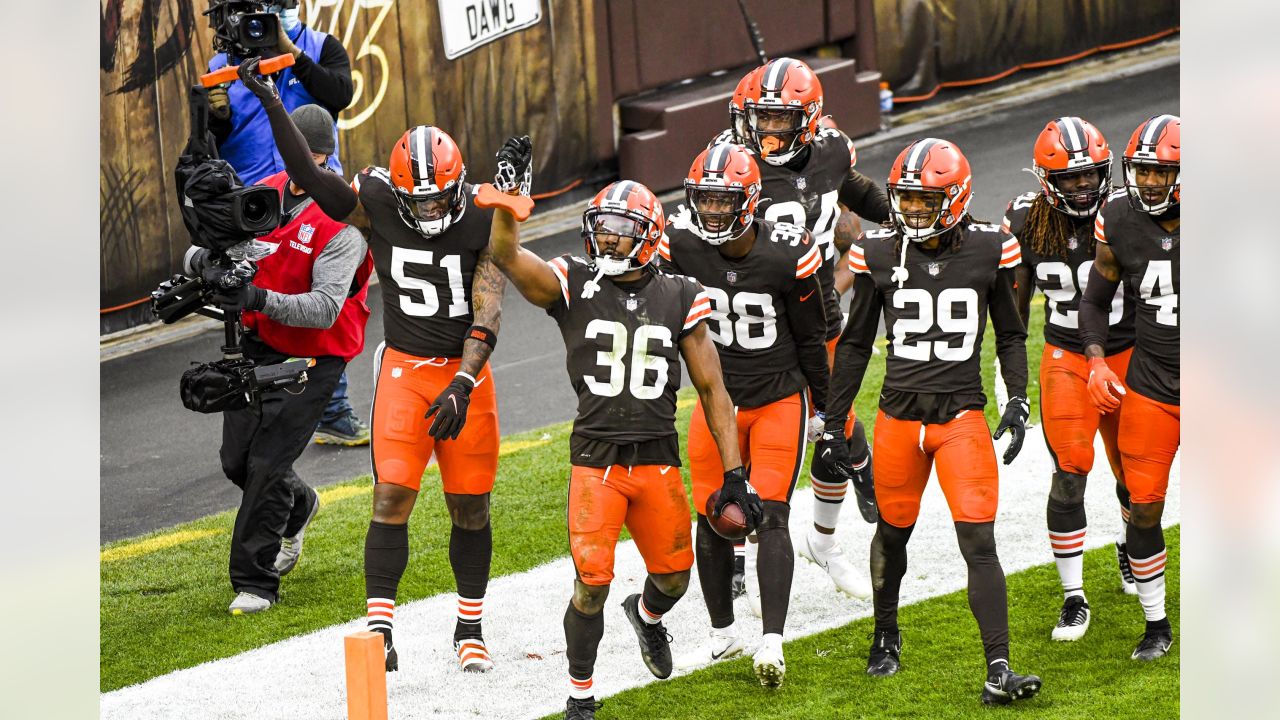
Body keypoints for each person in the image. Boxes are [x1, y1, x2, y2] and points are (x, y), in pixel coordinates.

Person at [236, 60, 511, 673]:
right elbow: (308, 172)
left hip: (466, 375)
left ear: (459, 184)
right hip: (406, 372)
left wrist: (464, 383)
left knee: (471, 505)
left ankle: (470, 625)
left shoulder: (481, 217)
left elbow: (489, 311)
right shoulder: (379, 203)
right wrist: (273, 105)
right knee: (391, 496)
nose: (432, 206)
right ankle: (380, 626)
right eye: (422, 195)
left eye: (441, 193)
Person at [487, 175, 756, 720]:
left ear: (649, 234)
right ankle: (579, 694)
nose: (605, 240)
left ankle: (648, 618)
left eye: (618, 231)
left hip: (658, 459)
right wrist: (507, 203)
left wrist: (734, 475)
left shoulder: (681, 293)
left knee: (676, 579)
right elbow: (505, 253)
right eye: (600, 229)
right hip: (596, 461)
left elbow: (713, 390)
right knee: (591, 584)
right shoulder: (575, 280)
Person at [819, 138, 1042, 705]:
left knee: (979, 540)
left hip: (961, 417)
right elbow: (853, 345)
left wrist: (1017, 397)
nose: (912, 211)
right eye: (906, 200)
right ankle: (885, 632)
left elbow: (1012, 334)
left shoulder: (993, 247)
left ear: (956, 197)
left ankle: (998, 668)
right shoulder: (880, 251)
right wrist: (833, 422)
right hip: (898, 418)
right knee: (891, 535)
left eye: (924, 201)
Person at [189, 73, 373, 615]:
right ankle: (301, 507)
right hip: (260, 342)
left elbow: (323, 310)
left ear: (321, 159)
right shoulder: (262, 192)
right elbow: (207, 249)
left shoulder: (346, 222)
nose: (295, 170)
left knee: (268, 461)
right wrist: (205, 265)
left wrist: (254, 295)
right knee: (236, 461)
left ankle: (256, 581)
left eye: (307, 159)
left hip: (318, 354)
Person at [658, 143, 838, 686]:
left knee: (772, 515)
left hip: (779, 396)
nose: (711, 212)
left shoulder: (787, 251)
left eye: (723, 201)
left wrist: (824, 409)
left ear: (751, 200)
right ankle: (721, 635)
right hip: (718, 404)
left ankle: (772, 642)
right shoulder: (679, 240)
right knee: (713, 515)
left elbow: (812, 337)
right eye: (705, 201)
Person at [711, 58, 890, 601]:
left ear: (809, 120)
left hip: (815, 310)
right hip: (751, 317)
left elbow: (853, 188)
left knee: (834, 425)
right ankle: (739, 546)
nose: (765, 132)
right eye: (758, 119)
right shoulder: (730, 166)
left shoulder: (831, 149)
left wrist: (903, 215)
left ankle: (826, 539)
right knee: (744, 429)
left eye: (779, 120)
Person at [204, 1, 368, 443]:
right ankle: (260, 415)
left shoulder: (320, 46)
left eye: (280, 7)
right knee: (260, 301)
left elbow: (341, 94)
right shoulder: (222, 64)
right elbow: (209, 143)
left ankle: (332, 410)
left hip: (317, 196)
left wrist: (290, 52)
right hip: (257, 202)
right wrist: (213, 117)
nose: (271, 16)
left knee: (324, 294)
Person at [1003, 116, 1139, 642]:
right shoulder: (1024, 221)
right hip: (1067, 357)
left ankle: (1133, 545)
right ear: (1045, 180)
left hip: (1132, 352)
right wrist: (1007, 383)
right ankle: (1074, 597)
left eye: (1090, 175)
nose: (1082, 186)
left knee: (1134, 471)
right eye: (1069, 178)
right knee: (1070, 469)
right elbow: (1011, 313)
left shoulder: (1130, 212)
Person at [1079, 114, 1180, 661]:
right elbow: (1094, 300)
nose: (1148, 183)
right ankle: (1156, 623)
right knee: (1141, 507)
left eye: (1161, 173)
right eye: (1141, 171)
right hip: (1154, 386)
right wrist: (1096, 361)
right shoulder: (1118, 216)